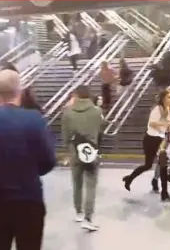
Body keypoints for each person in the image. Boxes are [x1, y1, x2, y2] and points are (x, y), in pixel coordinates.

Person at [0, 70, 56, 250]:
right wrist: (30, 172)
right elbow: (49, 160)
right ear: (19, 91)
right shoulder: (34, 119)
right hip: (30, 201)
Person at [122, 90, 170, 201]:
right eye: (169, 97)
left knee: (163, 165)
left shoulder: (167, 110)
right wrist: (166, 125)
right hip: (150, 139)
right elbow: (152, 123)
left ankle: (164, 193)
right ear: (163, 98)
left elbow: (164, 126)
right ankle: (129, 179)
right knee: (148, 165)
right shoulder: (157, 109)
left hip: (160, 140)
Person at [61, 85, 103, 231]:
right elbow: (100, 130)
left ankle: (78, 212)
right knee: (91, 184)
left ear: (76, 96)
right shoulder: (97, 112)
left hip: (75, 151)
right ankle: (88, 217)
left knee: (76, 182)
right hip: (91, 151)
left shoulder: (67, 113)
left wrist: (69, 149)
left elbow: (65, 136)